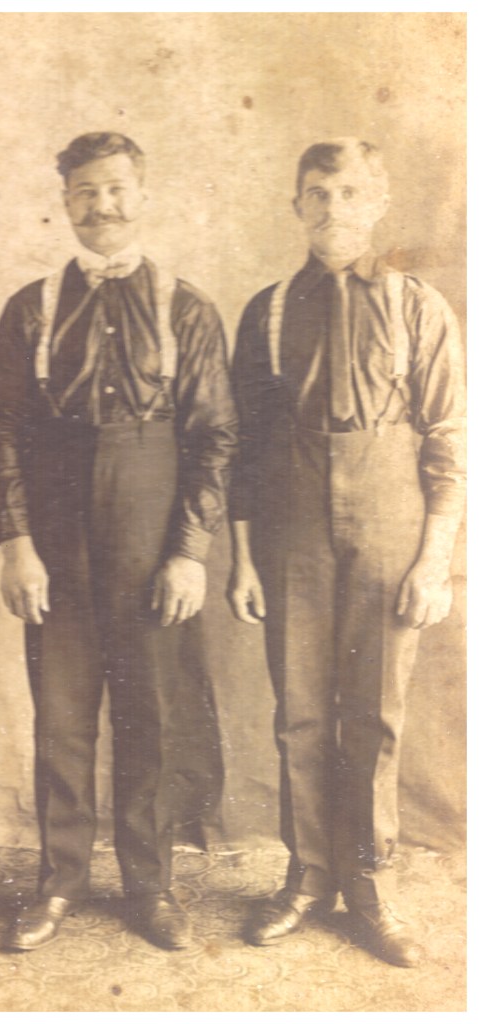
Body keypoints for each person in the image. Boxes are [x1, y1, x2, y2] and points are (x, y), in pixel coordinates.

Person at [0, 132, 238, 952]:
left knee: (149, 712)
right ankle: (58, 882)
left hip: (150, 522)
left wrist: (189, 551)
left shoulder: (185, 307)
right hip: (56, 527)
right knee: (61, 713)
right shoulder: (30, 309)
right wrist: (16, 543)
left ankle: (149, 885)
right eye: (85, 192)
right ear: (65, 204)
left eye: (117, 188)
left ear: (142, 194)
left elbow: (214, 436)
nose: (102, 206)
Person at [227, 138, 465, 967]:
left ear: (377, 202)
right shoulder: (266, 312)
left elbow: (448, 440)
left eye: (349, 192)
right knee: (297, 713)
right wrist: (242, 558)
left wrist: (433, 559)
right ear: (296, 206)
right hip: (290, 528)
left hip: (387, 526)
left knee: (373, 715)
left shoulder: (416, 307)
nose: (333, 208)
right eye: (318, 194)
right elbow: (244, 449)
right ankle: (306, 876)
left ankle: (368, 886)